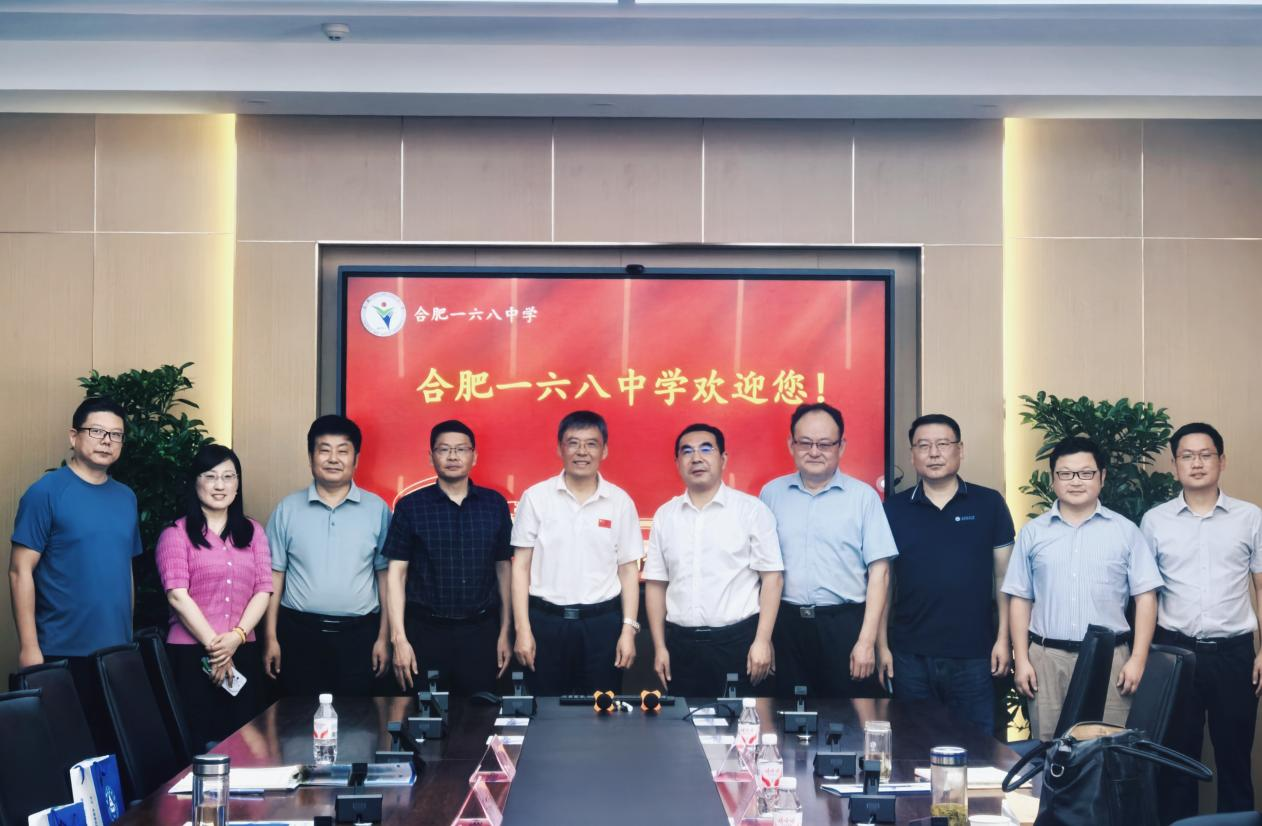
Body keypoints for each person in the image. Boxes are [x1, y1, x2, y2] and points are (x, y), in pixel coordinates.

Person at [1003, 435, 1164, 741]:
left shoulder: (1126, 531)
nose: (1075, 481)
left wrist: (1138, 659)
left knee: (1106, 752)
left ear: (1102, 477)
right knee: (1049, 752)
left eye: (1086, 473)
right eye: (1065, 473)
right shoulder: (1033, 533)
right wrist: (1021, 660)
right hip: (1046, 660)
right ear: (1053, 480)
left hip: (1110, 660)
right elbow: (1020, 598)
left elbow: (1146, 598)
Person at [1141, 422, 1261, 818]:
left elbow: (1261, 586)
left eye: (1205, 455)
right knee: (1175, 763)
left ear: (1222, 461)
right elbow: (1145, 596)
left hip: (1234, 655)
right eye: (1187, 456)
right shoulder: (1155, 521)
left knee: (1235, 761)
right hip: (1174, 654)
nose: (1197, 463)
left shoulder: (1250, 517)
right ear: (1175, 465)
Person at [879, 413, 1015, 735]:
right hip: (910, 656)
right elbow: (883, 583)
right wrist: (881, 646)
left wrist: (1004, 639)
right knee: (913, 744)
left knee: (978, 747)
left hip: (975, 655)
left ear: (960, 450)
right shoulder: (893, 510)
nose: (934, 453)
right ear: (912, 455)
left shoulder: (989, 504)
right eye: (923, 446)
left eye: (943, 444)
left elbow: (1005, 579)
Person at [759, 402, 898, 698]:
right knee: (787, 715)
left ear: (841, 446)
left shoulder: (864, 497)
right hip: (786, 626)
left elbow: (880, 574)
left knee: (849, 716)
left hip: (844, 625)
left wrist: (867, 641)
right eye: (805, 443)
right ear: (791, 444)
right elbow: (762, 572)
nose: (814, 451)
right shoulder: (770, 494)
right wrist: (764, 636)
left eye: (824, 444)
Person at [644, 424, 784, 697]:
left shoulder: (751, 511)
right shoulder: (666, 515)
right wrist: (660, 647)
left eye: (706, 449)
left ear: (723, 459)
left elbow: (772, 579)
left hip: (738, 643)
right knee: (684, 723)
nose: (696, 458)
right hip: (681, 645)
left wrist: (762, 641)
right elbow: (656, 584)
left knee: (741, 721)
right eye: (687, 451)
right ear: (677, 462)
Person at [510, 410, 642, 696]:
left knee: (602, 711)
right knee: (544, 710)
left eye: (591, 444)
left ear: (604, 450)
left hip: (602, 626)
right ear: (560, 448)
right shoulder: (536, 497)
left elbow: (628, 569)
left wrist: (628, 630)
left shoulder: (619, 502)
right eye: (573, 443)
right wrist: (523, 629)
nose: (582, 452)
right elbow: (520, 567)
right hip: (546, 623)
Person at [9, 397, 141, 676]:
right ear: (73, 436)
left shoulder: (127, 497)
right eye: (97, 431)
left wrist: (127, 635)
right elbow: (20, 571)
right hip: (61, 648)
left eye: (116, 434)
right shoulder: (45, 492)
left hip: (117, 649)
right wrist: (29, 647)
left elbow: (125, 569)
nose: (106, 441)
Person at [264, 415, 391, 697]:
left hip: (360, 637)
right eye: (324, 450)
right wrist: (271, 638)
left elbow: (385, 578)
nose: (333, 459)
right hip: (299, 634)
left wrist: (384, 638)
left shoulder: (378, 509)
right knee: (296, 716)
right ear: (311, 457)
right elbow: (274, 577)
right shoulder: (287, 509)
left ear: (356, 459)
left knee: (359, 717)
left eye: (343, 451)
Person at [155, 444, 272, 750]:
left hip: (242, 651)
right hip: (190, 656)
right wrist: (217, 648)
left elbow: (263, 589)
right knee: (195, 746)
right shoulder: (175, 534)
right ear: (195, 482)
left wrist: (236, 636)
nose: (220, 485)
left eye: (228, 477)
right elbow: (177, 596)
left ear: (238, 484)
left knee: (247, 745)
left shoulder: (254, 532)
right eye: (210, 476)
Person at [384, 420, 513, 695]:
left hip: (481, 633)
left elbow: (503, 569)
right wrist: (399, 639)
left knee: (481, 714)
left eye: (461, 449)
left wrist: (505, 631)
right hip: (424, 633)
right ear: (430, 456)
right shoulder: (410, 507)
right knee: (423, 713)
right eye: (444, 449)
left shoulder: (494, 504)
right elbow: (396, 574)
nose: (453, 456)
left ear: (474, 456)